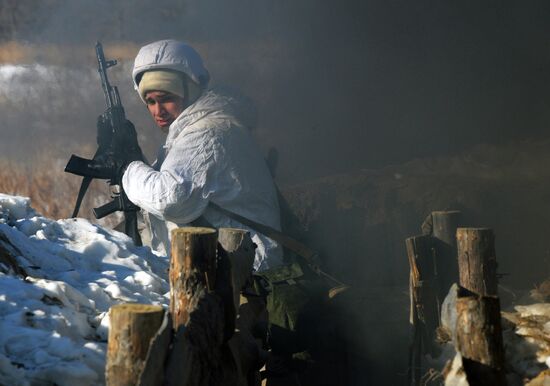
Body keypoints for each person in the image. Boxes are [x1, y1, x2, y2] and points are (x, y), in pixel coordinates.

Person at [120, 39, 283, 271]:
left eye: (166, 98)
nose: (158, 111)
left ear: (192, 89)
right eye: (150, 101)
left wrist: (128, 168)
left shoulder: (209, 132)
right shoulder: (192, 129)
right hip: (226, 267)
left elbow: (171, 199)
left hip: (247, 276)